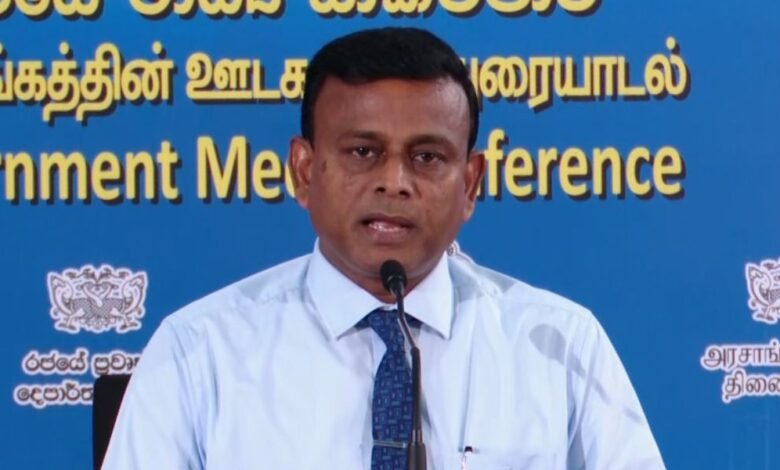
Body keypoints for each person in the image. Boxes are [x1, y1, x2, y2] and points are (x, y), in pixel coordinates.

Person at [103, 27, 664, 469]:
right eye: (363, 152)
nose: (395, 182)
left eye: (427, 157)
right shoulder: (199, 351)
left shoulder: (560, 346)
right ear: (304, 171)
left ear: (470, 184)